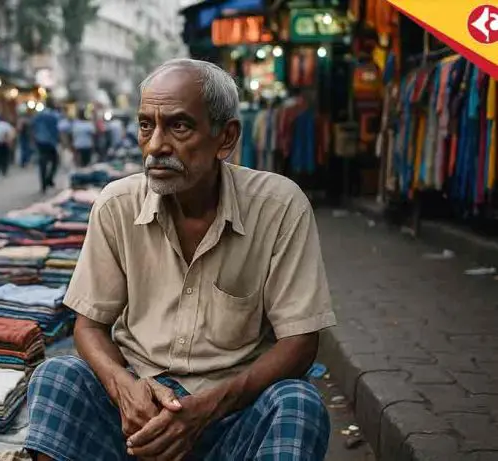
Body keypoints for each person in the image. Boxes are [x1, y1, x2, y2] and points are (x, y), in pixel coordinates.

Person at [25, 59, 334, 461]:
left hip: (232, 415)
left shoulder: (279, 207)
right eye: (146, 125)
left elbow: (300, 341)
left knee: (298, 403)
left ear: (225, 138)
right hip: (138, 411)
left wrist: (206, 409)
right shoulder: (116, 206)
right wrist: (124, 389)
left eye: (179, 126)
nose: (155, 146)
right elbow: (89, 325)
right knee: (56, 377)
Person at [31, 105, 60, 192]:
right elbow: (56, 129)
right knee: (55, 161)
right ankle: (49, 178)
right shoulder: (54, 116)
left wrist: (33, 139)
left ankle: (43, 183)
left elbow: (33, 127)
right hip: (50, 142)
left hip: (40, 141)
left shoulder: (38, 115)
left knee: (42, 162)